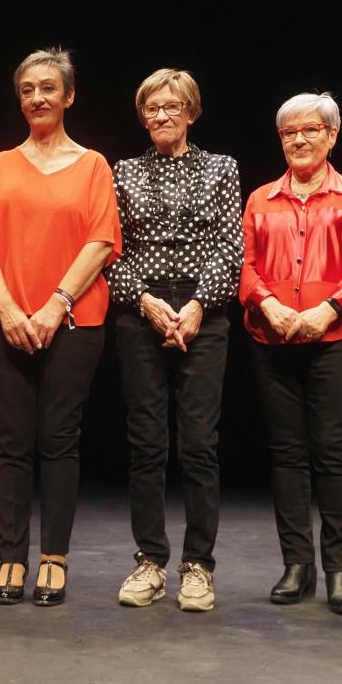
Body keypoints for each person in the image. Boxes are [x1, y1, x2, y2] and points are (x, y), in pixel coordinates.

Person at [0, 48, 120, 607]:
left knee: (59, 441)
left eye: (49, 88)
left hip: (74, 320)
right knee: (11, 441)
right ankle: (11, 557)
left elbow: (101, 241)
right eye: (28, 88)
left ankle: (53, 558)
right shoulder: (0, 165)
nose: (38, 97)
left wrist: (55, 305)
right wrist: (9, 307)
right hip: (1, 318)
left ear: (69, 96)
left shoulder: (93, 164)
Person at [240, 92, 342, 615]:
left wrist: (328, 311)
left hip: (334, 339)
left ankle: (340, 572)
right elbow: (246, 265)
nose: (299, 140)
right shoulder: (260, 199)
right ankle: (296, 566)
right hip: (271, 338)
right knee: (286, 456)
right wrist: (268, 305)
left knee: (334, 454)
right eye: (288, 133)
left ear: (331, 136)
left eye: (309, 130)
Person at [106, 69, 242, 612]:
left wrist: (196, 307)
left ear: (192, 111)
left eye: (171, 106)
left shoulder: (221, 168)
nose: (161, 116)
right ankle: (149, 560)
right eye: (151, 108)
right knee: (146, 446)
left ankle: (198, 567)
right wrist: (143, 300)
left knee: (199, 446)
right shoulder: (124, 171)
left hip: (201, 313)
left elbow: (231, 246)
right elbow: (110, 248)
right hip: (141, 310)